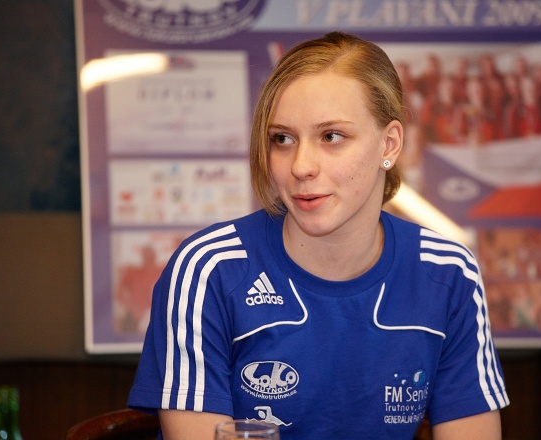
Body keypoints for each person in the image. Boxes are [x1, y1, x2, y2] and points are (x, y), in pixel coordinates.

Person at [128, 32, 509, 440]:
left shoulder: (448, 273)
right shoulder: (209, 270)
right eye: (282, 139)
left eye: (331, 137)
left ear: (389, 144)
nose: (301, 166)